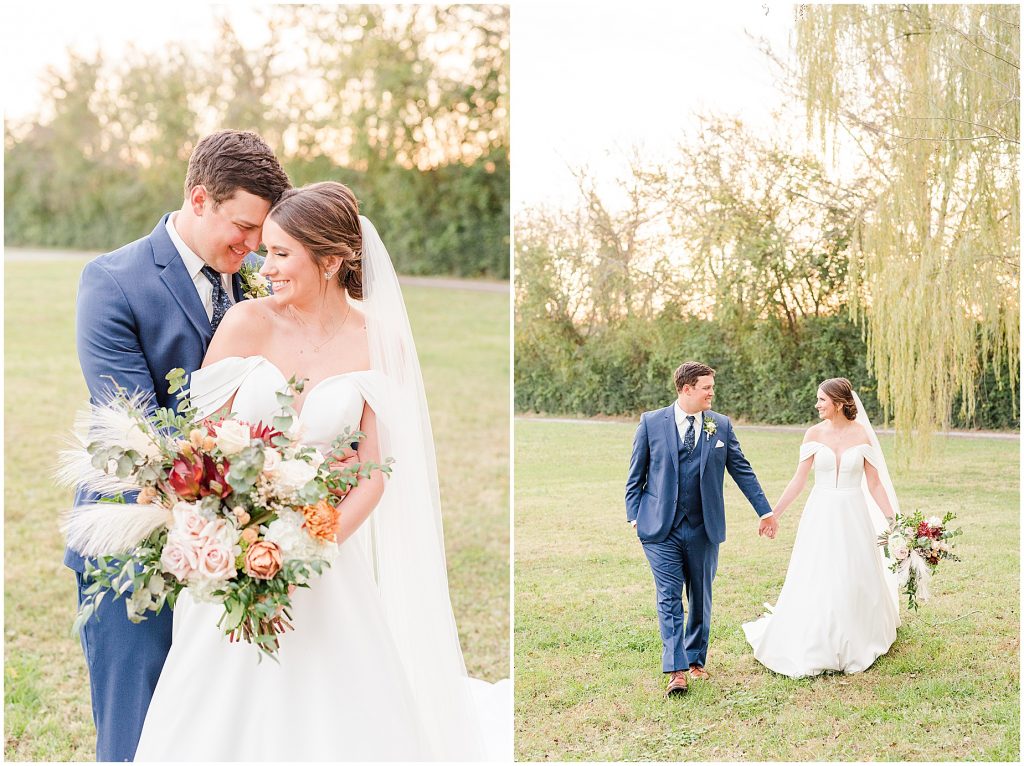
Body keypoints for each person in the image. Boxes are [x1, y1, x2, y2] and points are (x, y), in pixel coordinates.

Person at [134, 182, 508, 761]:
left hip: (325, 560)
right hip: (233, 557)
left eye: (282, 253)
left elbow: (372, 474)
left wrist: (305, 547)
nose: (265, 265)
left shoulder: (378, 342)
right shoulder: (244, 323)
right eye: (267, 250)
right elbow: (201, 450)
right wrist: (236, 541)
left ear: (331, 261)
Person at [67, 129, 290, 761]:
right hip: (134, 537)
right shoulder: (112, 281)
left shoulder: (254, 280)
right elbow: (137, 427)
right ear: (200, 199)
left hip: (239, 537)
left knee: (218, 727)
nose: (252, 248)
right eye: (243, 228)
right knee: (135, 728)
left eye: (262, 235)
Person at [625, 361, 775, 697]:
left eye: (711, 387)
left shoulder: (720, 425)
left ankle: (695, 659)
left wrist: (765, 511)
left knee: (700, 596)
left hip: (704, 527)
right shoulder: (651, 423)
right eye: (706, 387)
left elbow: (742, 470)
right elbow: (636, 475)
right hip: (659, 529)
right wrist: (635, 516)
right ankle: (676, 670)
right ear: (686, 389)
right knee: (668, 597)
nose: (712, 393)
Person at [742, 378, 901, 678]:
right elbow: (799, 480)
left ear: (839, 403)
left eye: (822, 400)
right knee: (819, 570)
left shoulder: (862, 435)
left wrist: (896, 522)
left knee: (853, 571)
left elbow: (875, 484)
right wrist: (772, 513)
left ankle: (855, 633)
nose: (817, 405)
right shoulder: (813, 434)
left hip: (853, 513)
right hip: (821, 512)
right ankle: (817, 636)